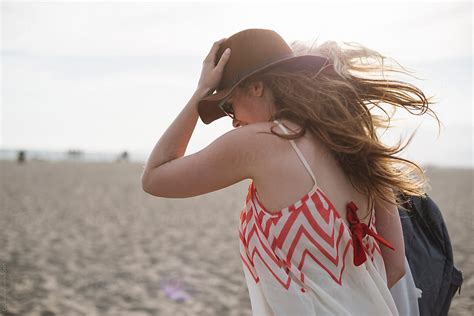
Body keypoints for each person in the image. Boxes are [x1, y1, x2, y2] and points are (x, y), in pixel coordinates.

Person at [141, 28, 440, 315]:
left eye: (231, 106)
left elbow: (155, 176)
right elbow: (395, 265)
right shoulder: (357, 149)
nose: (233, 122)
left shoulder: (264, 142)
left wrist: (201, 91)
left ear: (257, 87)